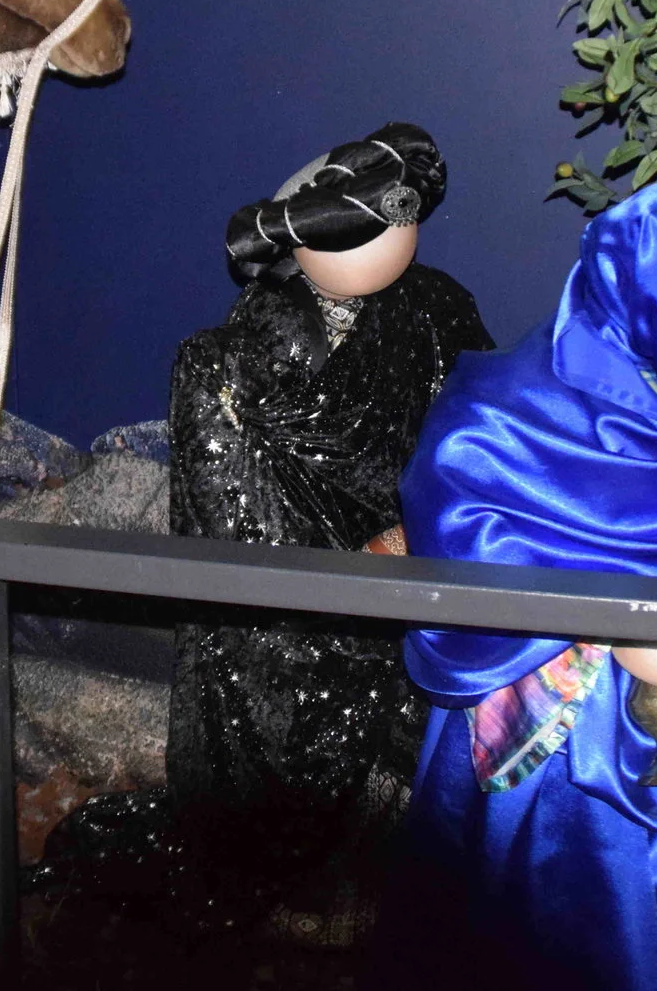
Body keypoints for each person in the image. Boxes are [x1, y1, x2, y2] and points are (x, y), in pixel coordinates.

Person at [371, 178, 657, 991]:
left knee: (654, 922)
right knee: (513, 931)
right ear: (647, 299)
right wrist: (608, 615)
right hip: (538, 739)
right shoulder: (502, 409)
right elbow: (462, 516)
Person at [40, 122, 490, 947]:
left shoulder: (438, 312)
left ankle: (374, 887)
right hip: (277, 621)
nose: (389, 236)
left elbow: (484, 445)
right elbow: (232, 536)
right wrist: (341, 590)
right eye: (358, 227)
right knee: (287, 714)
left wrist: (417, 533)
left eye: (402, 217)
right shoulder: (226, 362)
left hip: (411, 589)